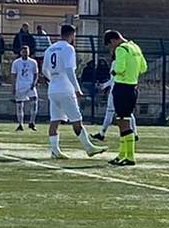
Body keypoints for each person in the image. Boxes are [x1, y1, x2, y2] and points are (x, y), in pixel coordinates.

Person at [42, 23, 105, 160]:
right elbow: (70, 70)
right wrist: (77, 88)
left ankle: (55, 151)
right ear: (71, 34)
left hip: (53, 88)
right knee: (76, 120)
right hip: (65, 88)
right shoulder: (68, 48)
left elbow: (44, 70)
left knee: (55, 121)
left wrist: (53, 79)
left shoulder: (50, 49)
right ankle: (89, 147)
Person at [101, 28, 148, 165]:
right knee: (123, 120)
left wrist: (114, 71)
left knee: (123, 122)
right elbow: (143, 68)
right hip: (133, 87)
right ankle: (122, 154)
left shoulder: (121, 49)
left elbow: (119, 69)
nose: (111, 48)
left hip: (122, 88)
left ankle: (130, 156)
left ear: (113, 40)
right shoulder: (135, 47)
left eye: (110, 45)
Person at [11, 48, 40, 131]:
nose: (25, 53)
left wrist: (34, 83)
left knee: (34, 102)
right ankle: (20, 124)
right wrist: (13, 87)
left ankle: (32, 122)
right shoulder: (16, 62)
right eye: (23, 52)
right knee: (19, 105)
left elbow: (36, 73)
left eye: (26, 52)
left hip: (30, 86)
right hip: (20, 86)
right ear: (20, 52)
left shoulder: (33, 62)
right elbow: (13, 75)